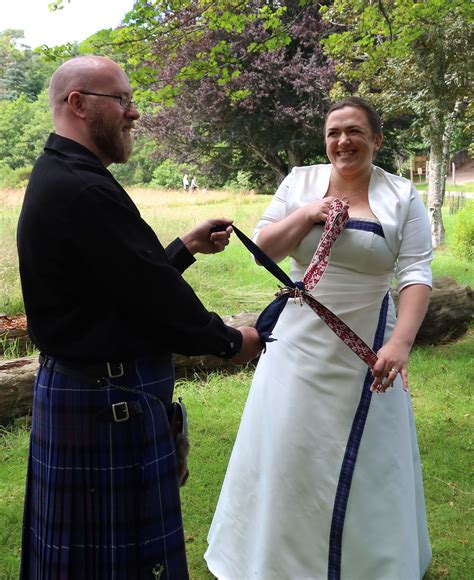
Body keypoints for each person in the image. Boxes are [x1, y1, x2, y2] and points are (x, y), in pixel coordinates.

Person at [17, 55, 262, 580]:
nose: (135, 113)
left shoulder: (67, 175)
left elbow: (120, 284)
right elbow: (155, 301)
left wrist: (183, 248)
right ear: (79, 104)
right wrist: (229, 341)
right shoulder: (83, 187)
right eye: (123, 100)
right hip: (105, 406)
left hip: (89, 400)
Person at [205, 97, 433, 579]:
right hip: (298, 340)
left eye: (354, 131)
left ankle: (370, 564)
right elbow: (264, 248)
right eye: (333, 132)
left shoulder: (401, 194)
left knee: (371, 456)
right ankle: (274, 562)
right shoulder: (299, 182)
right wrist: (309, 213)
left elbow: (415, 273)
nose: (342, 141)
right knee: (287, 446)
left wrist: (400, 344)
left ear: (376, 138)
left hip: (369, 345)